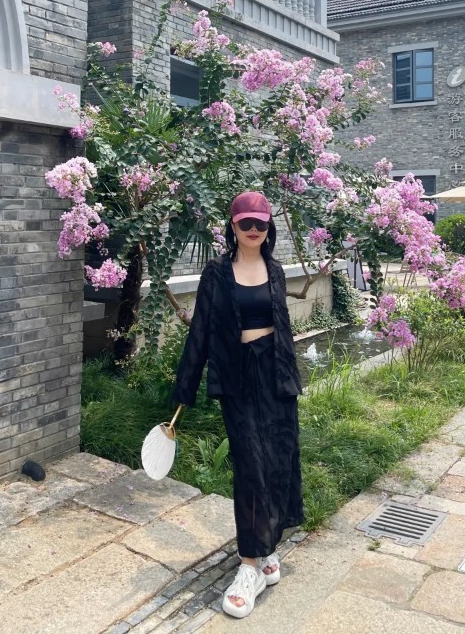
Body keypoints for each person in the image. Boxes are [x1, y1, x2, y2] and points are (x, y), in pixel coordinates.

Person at [171, 189, 303, 617]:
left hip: (275, 375)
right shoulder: (217, 272)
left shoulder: (275, 270)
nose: (253, 230)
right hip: (237, 377)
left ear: (268, 227)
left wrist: (291, 379)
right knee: (250, 464)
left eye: (260, 223)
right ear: (232, 226)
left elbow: (282, 327)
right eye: (245, 223)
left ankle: (267, 549)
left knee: (278, 461)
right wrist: (185, 388)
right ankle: (249, 565)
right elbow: (202, 330)